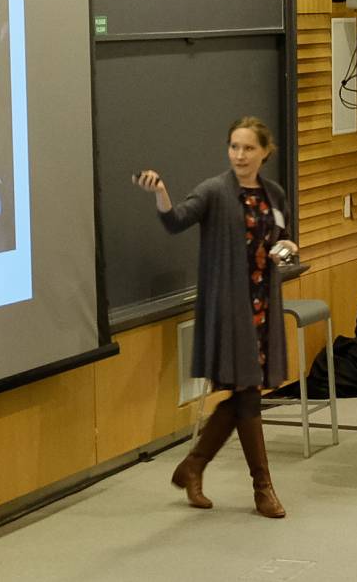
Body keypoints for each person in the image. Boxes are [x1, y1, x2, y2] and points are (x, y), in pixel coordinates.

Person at [133, 116, 297, 519]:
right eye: (233, 147)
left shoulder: (273, 194)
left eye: (247, 148)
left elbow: (282, 238)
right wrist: (161, 193)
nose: (239, 155)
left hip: (262, 307)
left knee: (244, 395)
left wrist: (288, 246)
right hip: (230, 310)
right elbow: (175, 222)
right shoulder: (214, 191)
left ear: (264, 152)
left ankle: (193, 466)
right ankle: (263, 488)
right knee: (247, 394)